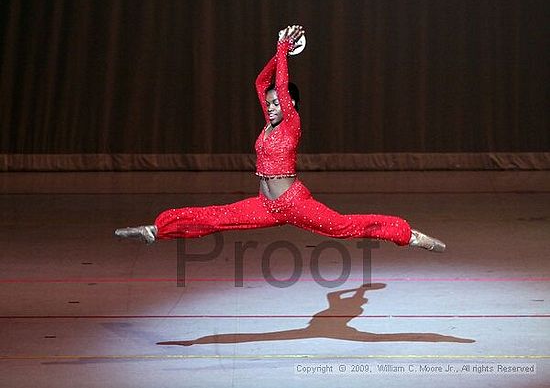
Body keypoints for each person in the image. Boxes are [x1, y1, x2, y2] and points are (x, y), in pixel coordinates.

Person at [115, 25, 445, 253]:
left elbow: (281, 89)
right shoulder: (270, 124)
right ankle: (156, 230)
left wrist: (284, 49)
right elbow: (261, 83)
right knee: (215, 216)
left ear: (290, 104)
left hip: (294, 204)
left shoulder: (291, 122)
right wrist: (278, 54)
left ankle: (408, 235)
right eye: (270, 103)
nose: (271, 106)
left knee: (344, 226)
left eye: (277, 103)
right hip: (266, 205)